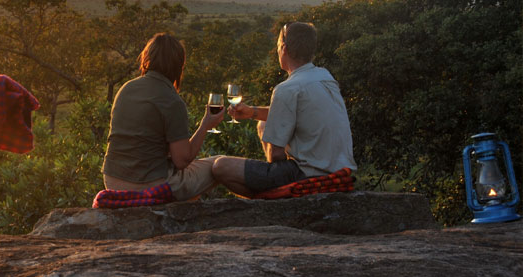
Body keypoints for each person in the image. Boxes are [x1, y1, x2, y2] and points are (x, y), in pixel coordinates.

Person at [213, 22, 356, 198]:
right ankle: (272, 195)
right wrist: (252, 112)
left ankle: (270, 200)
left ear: (284, 48)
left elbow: (276, 154)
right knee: (263, 124)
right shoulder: (325, 77)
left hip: (305, 174)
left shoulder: (287, 88)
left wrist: (274, 170)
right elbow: (293, 114)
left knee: (220, 167)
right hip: (338, 170)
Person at [102, 32, 224, 201]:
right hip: (151, 183)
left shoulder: (126, 89)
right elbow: (182, 161)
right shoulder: (172, 101)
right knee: (219, 165)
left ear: (147, 59)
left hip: (112, 181)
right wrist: (205, 125)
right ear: (178, 65)